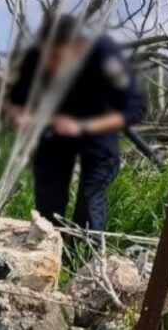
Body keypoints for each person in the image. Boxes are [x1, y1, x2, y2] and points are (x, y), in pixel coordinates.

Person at [8, 14, 145, 232]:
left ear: (78, 47)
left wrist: (82, 127)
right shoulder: (36, 57)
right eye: (47, 58)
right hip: (53, 135)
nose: (51, 65)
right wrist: (21, 117)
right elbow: (16, 101)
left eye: (57, 57)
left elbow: (133, 110)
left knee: (89, 207)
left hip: (97, 135)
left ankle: (84, 258)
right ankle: (50, 254)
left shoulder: (104, 56)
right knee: (47, 211)